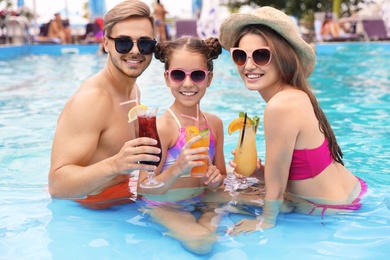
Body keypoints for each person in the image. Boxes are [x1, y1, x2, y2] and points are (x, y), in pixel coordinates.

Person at [219, 6, 367, 234]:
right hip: (353, 192)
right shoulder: (297, 94)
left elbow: (276, 190)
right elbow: (301, 169)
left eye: (261, 55)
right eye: (240, 55)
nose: (248, 65)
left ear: (283, 58)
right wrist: (260, 172)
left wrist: (264, 222)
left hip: (329, 210)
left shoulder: (280, 106)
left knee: (214, 198)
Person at [48, 1, 159, 209]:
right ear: (106, 43)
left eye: (144, 44)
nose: (135, 51)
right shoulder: (92, 100)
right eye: (123, 43)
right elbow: (56, 185)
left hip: (122, 199)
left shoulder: (133, 91)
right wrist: (115, 165)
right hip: (88, 212)